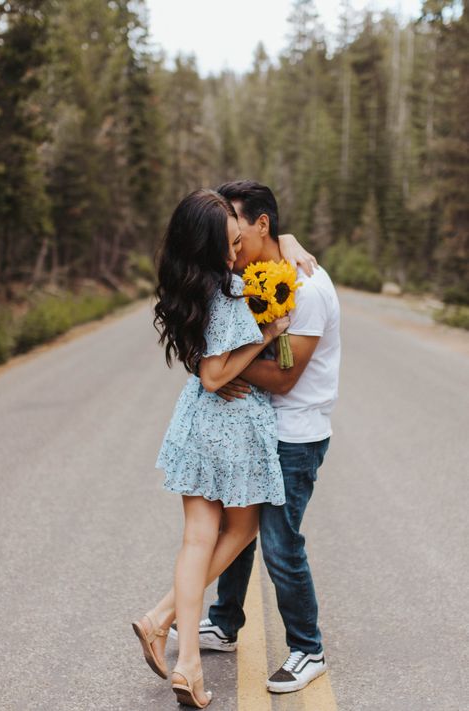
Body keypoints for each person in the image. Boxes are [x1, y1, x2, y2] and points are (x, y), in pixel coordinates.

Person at [131, 188, 302, 708]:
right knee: (242, 528)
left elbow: (200, 365)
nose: (236, 254)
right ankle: (180, 651)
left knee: (196, 538)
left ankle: (167, 630)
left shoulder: (191, 286)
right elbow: (213, 375)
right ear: (210, 247)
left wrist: (288, 239)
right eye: (229, 245)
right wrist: (267, 331)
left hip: (196, 426)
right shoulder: (227, 293)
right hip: (230, 423)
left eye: (237, 241)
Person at [170, 180, 341, 695]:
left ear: (260, 224)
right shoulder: (252, 272)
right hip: (260, 425)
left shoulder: (304, 287)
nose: (231, 245)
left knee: (280, 543)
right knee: (233, 526)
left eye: (235, 230)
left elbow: (285, 378)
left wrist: (217, 370)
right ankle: (224, 621)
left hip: (296, 432)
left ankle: (307, 648)